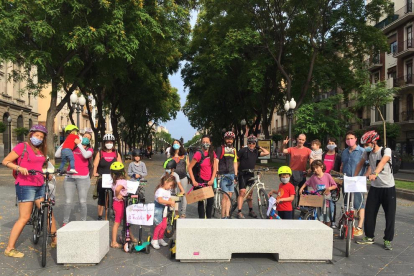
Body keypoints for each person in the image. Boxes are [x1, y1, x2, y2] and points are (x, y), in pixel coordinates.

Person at [2, 125, 57, 258]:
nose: (38, 138)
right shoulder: (23, 146)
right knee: (25, 217)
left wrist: (47, 174)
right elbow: (6, 161)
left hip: (40, 184)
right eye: (37, 135)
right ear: (31, 135)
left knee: (48, 210)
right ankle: (9, 248)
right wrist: (19, 168)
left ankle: (55, 239)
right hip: (25, 185)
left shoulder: (41, 150)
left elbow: (40, 166)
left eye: (41, 137)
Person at [355, 131, 396, 250]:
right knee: (370, 212)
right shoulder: (367, 153)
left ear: (374, 142)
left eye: (367, 144)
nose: (365, 147)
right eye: (364, 145)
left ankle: (387, 239)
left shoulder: (385, 150)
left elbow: (383, 162)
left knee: (390, 215)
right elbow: (359, 164)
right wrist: (354, 177)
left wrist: (375, 173)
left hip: (388, 188)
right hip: (375, 188)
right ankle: (369, 237)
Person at [56, 132, 94, 226]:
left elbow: (85, 155)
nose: (86, 138)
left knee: (82, 201)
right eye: (84, 136)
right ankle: (65, 222)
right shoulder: (73, 148)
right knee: (68, 201)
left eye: (88, 138)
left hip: (83, 178)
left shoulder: (90, 150)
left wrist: (79, 144)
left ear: (90, 141)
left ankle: (83, 221)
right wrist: (65, 142)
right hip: (70, 178)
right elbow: (57, 155)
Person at [237, 135, 270, 219]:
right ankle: (239, 211)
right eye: (250, 143)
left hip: (251, 174)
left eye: (253, 143)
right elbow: (236, 160)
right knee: (242, 192)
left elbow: (267, 153)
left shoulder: (256, 151)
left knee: (250, 195)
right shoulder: (243, 151)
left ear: (255, 144)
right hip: (243, 174)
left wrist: (260, 147)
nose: (251, 144)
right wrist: (236, 171)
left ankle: (251, 210)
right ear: (247, 143)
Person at [340, 130, 365, 236]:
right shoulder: (344, 152)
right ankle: (348, 223)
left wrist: (365, 177)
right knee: (347, 203)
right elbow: (342, 165)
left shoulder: (362, 151)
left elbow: (367, 165)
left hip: (358, 180)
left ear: (356, 139)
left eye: (351, 138)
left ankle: (359, 226)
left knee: (359, 204)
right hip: (347, 180)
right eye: (347, 139)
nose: (350, 140)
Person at [93, 133, 122, 220]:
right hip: (102, 176)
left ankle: (114, 210)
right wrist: (95, 173)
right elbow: (95, 164)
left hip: (113, 176)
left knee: (115, 194)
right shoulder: (100, 153)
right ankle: (100, 214)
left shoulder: (116, 153)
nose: (109, 143)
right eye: (107, 142)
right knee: (101, 195)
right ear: (104, 143)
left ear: (113, 143)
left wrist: (120, 175)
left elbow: (120, 165)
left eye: (110, 142)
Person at [188, 135, 218, 219]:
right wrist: (193, 181)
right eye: (203, 142)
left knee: (210, 202)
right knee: (201, 202)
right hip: (200, 180)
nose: (205, 144)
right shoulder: (198, 154)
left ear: (210, 143)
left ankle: (208, 220)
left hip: (209, 181)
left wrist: (212, 179)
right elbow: (190, 167)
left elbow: (215, 167)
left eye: (207, 142)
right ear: (201, 143)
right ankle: (201, 221)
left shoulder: (212, 153)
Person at [299, 160, 337, 226]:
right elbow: (306, 183)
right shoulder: (313, 177)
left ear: (321, 167)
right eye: (314, 169)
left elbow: (335, 185)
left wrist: (329, 188)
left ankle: (327, 231)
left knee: (327, 218)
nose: (315, 170)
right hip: (317, 201)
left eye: (317, 168)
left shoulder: (327, 176)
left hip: (326, 201)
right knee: (320, 218)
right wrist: (301, 188)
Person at [109, 162, 137, 248]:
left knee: (126, 221)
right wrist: (118, 195)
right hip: (120, 203)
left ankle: (130, 236)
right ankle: (113, 242)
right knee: (117, 223)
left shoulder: (114, 181)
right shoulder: (122, 181)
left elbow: (116, 188)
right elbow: (117, 189)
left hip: (116, 203)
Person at [216, 131, 238, 219]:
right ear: (225, 139)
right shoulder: (220, 149)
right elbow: (216, 161)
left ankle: (228, 215)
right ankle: (223, 216)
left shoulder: (234, 150)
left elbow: (235, 162)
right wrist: (217, 172)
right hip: (223, 175)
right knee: (225, 196)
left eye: (231, 139)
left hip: (231, 175)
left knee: (230, 196)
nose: (229, 140)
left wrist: (236, 175)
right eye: (228, 139)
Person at [152, 175, 176, 249]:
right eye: (170, 185)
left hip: (164, 209)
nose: (171, 187)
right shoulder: (160, 190)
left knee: (164, 225)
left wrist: (170, 203)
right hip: (158, 208)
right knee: (159, 225)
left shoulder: (168, 191)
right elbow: (160, 200)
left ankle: (160, 238)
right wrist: (169, 203)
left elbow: (168, 199)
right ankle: (154, 239)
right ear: (166, 182)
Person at [322, 137, 342, 228]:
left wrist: (339, 181)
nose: (331, 145)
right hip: (323, 180)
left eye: (332, 143)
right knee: (322, 200)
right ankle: (323, 219)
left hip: (334, 181)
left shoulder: (338, 156)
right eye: (329, 143)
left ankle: (332, 221)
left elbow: (340, 169)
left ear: (336, 144)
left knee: (332, 202)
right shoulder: (323, 155)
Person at [170, 140, 190, 218]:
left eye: (177, 143)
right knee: (174, 194)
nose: (176, 144)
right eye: (174, 143)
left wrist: (189, 177)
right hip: (173, 178)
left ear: (180, 145)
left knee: (183, 194)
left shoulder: (185, 156)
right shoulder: (170, 156)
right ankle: (175, 211)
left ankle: (183, 213)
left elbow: (188, 167)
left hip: (183, 177)